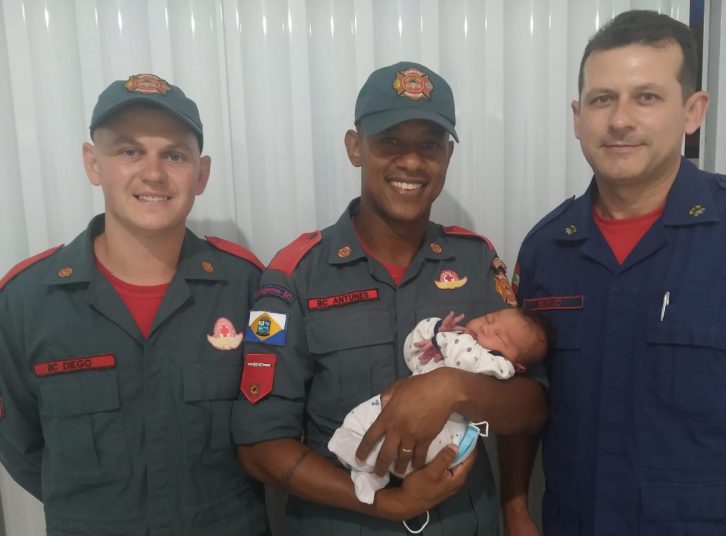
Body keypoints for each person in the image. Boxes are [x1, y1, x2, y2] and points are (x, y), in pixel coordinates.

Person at [506, 9, 726, 536]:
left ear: (692, 111)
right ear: (578, 117)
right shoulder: (547, 249)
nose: (620, 120)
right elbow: (524, 398)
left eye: (647, 97)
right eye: (602, 99)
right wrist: (515, 510)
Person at [231, 61, 547, 535]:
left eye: (429, 144)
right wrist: (389, 504)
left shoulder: (476, 262)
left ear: (448, 156)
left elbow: (533, 408)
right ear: (355, 148)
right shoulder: (296, 273)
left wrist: (456, 388)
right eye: (390, 142)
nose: (412, 162)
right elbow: (259, 444)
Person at [0, 74, 269, 535]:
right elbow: (21, 448)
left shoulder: (246, 287)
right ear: (93, 163)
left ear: (200, 174)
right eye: (129, 151)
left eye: (174, 154)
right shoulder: (27, 300)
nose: (153, 173)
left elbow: (271, 431)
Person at [329, 308, 549, 505]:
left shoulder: (499, 367)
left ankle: (362, 460)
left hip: (445, 434)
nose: (485, 327)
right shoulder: (454, 343)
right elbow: (413, 355)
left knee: (396, 445)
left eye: (499, 335)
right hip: (403, 409)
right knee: (366, 416)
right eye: (489, 318)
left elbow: (464, 359)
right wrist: (435, 330)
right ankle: (369, 474)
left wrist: (444, 339)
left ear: (517, 365)